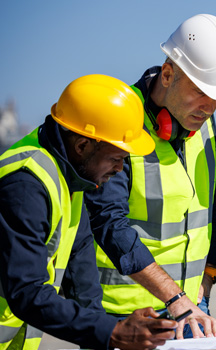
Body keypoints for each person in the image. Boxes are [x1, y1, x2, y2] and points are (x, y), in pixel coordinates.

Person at [83, 14, 216, 338]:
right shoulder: (120, 120)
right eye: (200, 91)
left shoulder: (203, 122)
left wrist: (209, 275)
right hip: (124, 316)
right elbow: (109, 223)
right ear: (168, 74)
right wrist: (175, 297)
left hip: (190, 311)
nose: (209, 106)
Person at [0, 74, 177, 350]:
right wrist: (113, 331)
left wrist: (109, 335)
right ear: (82, 146)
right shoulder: (26, 184)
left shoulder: (73, 179)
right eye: (116, 159)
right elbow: (27, 291)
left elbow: (82, 281)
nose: (120, 169)